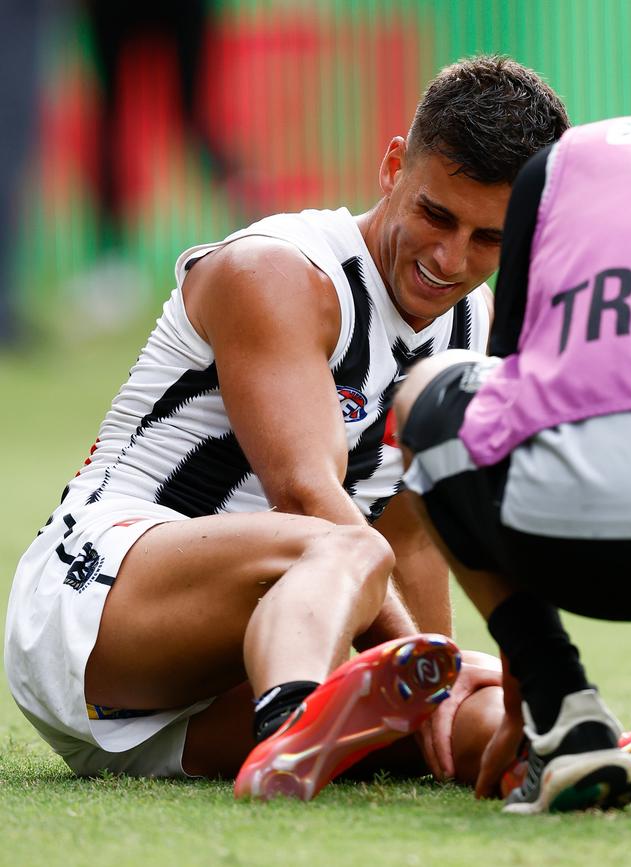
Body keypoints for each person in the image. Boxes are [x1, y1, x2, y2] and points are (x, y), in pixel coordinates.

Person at [4, 55, 568, 799]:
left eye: (488, 238)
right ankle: (295, 716)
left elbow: (412, 537)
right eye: (436, 214)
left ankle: (572, 755)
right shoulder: (280, 273)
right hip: (94, 611)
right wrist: (433, 666)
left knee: (473, 725)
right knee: (345, 547)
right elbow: (306, 497)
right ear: (394, 165)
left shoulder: (472, 323)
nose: (450, 258)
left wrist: (449, 692)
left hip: (213, 684)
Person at [394, 115, 631, 814]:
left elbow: (505, 396)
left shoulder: (564, 161)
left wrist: (522, 701)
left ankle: (563, 709)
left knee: (432, 384)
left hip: (556, 539)